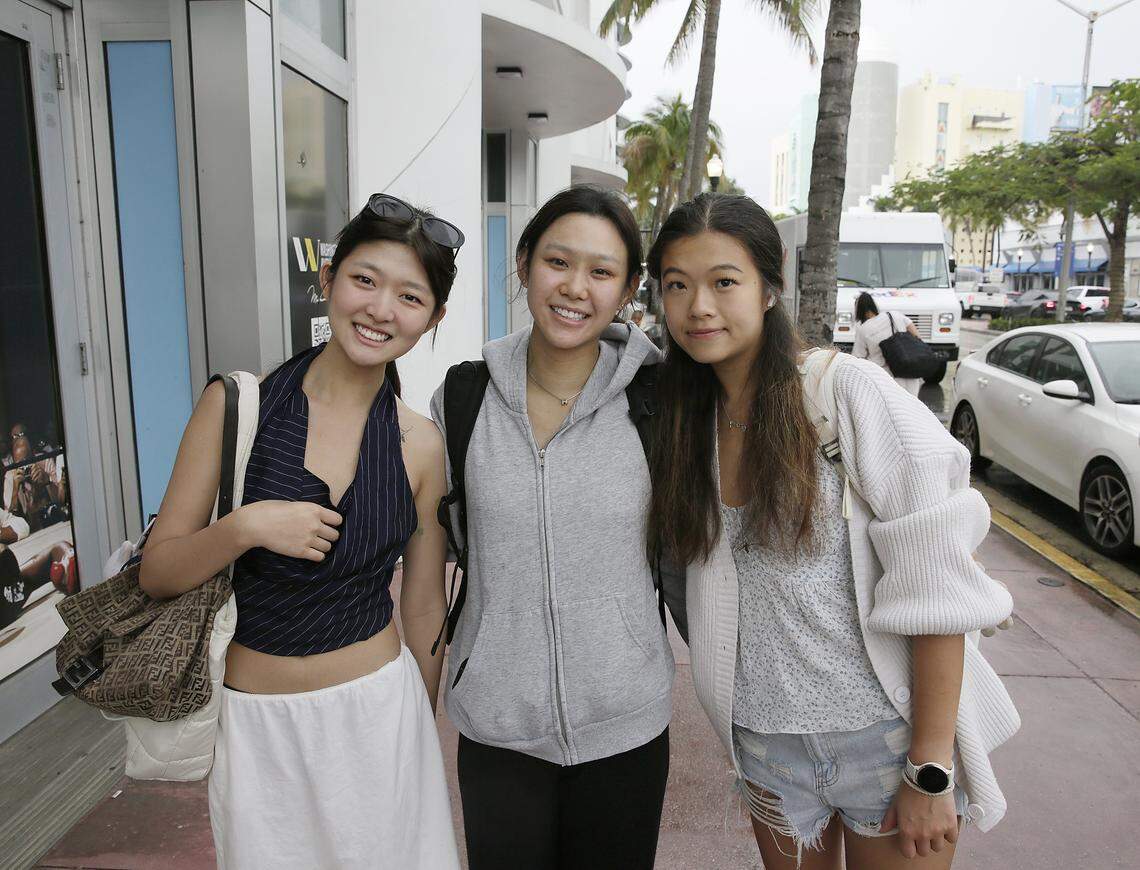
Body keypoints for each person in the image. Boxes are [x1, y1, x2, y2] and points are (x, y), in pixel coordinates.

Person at [646, 193, 1019, 870]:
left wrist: (930, 768)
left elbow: (937, 587)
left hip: (887, 741)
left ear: (770, 284)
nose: (698, 307)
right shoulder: (681, 423)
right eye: (677, 285)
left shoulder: (846, 394)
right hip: (764, 747)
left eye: (723, 281)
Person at [139, 195, 464, 869]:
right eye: (365, 280)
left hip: (381, 716)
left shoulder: (421, 443)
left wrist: (420, 728)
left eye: (409, 296)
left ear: (432, 318)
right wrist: (247, 526)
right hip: (259, 729)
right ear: (328, 282)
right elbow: (158, 571)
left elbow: (425, 601)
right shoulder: (236, 407)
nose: (380, 309)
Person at [432, 185, 674, 869]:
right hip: (497, 727)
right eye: (557, 262)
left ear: (629, 288)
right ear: (523, 264)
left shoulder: (657, 400)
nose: (575, 288)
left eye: (601, 272)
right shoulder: (463, 397)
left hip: (625, 725)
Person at [851, 292, 922, 396]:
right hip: (910, 371)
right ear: (873, 305)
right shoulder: (894, 315)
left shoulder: (863, 329)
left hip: (885, 377)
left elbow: (858, 357)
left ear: (859, 310)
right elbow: (916, 335)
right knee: (912, 407)